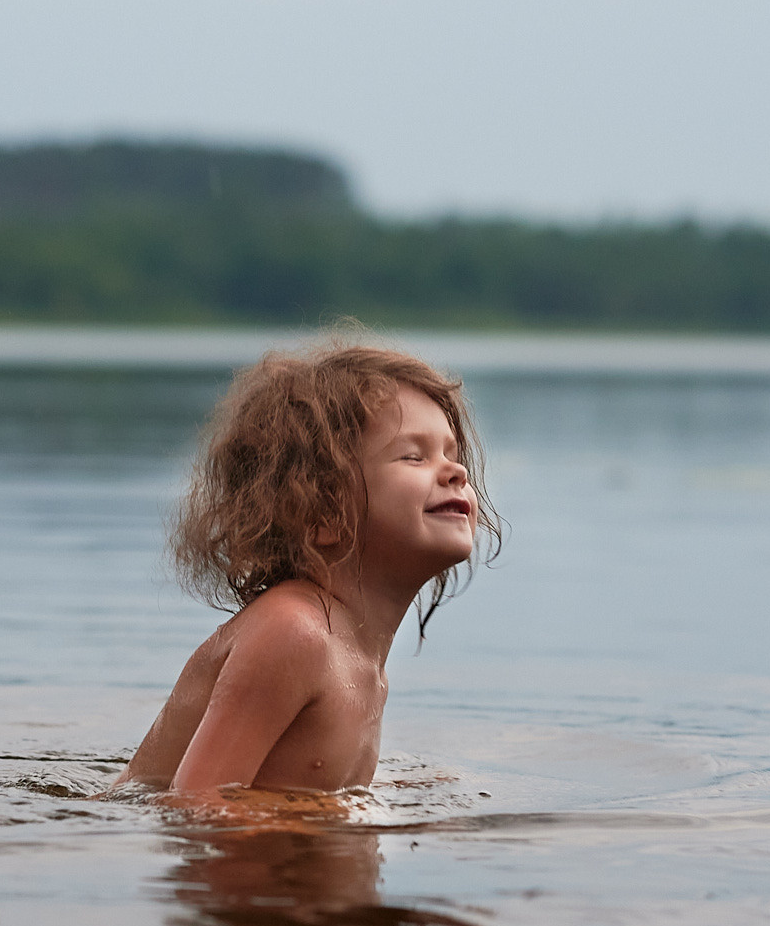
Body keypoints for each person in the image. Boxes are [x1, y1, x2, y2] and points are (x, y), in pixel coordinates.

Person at [118, 340, 500, 797]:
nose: (454, 472)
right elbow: (197, 805)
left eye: (450, 455)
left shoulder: (360, 659)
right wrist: (326, 820)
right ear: (323, 513)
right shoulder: (296, 633)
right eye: (413, 457)